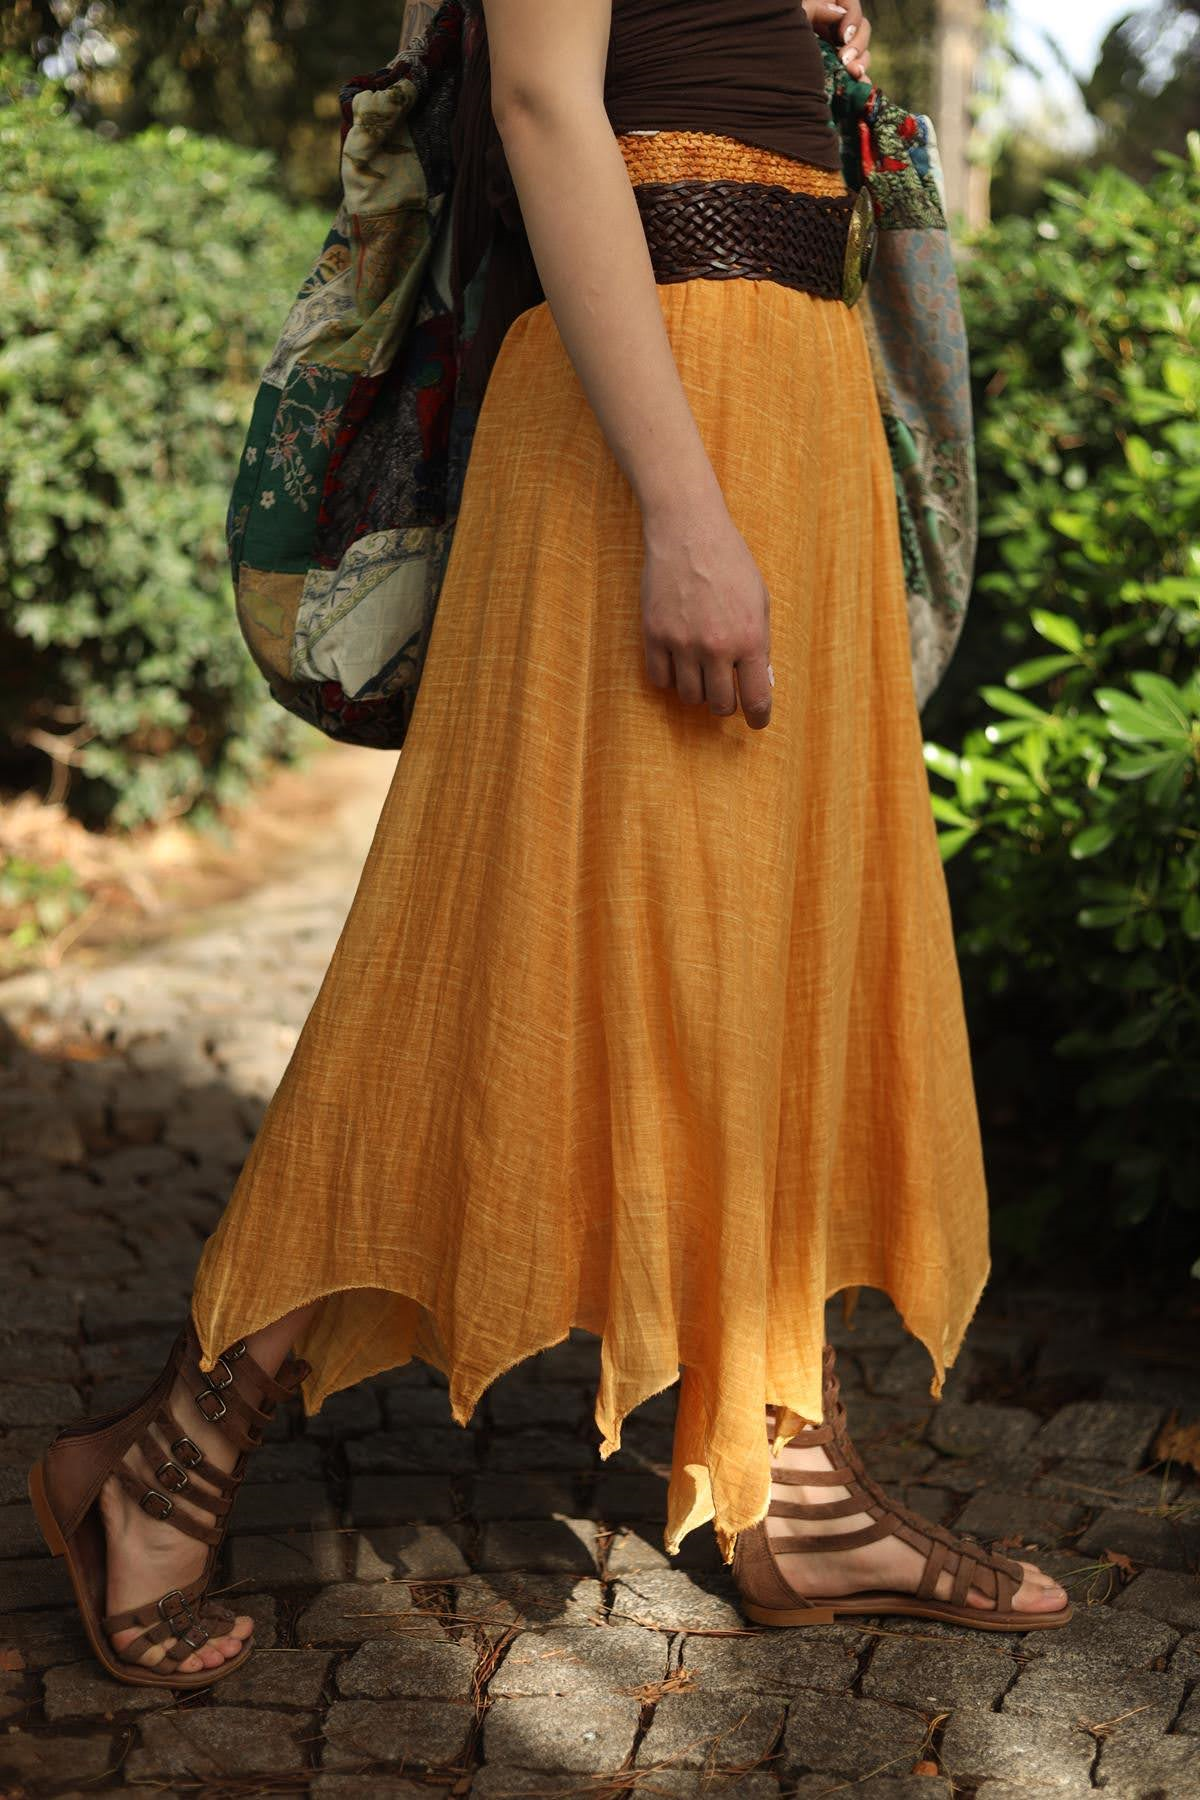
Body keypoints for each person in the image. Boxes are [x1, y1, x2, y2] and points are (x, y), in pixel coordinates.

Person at [28, 0, 1071, 1687]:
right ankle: (166, 1456)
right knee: (490, 945)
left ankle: (794, 1475)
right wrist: (681, 508)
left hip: (784, 389)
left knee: (778, 940)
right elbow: (538, 99)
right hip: (660, 412)